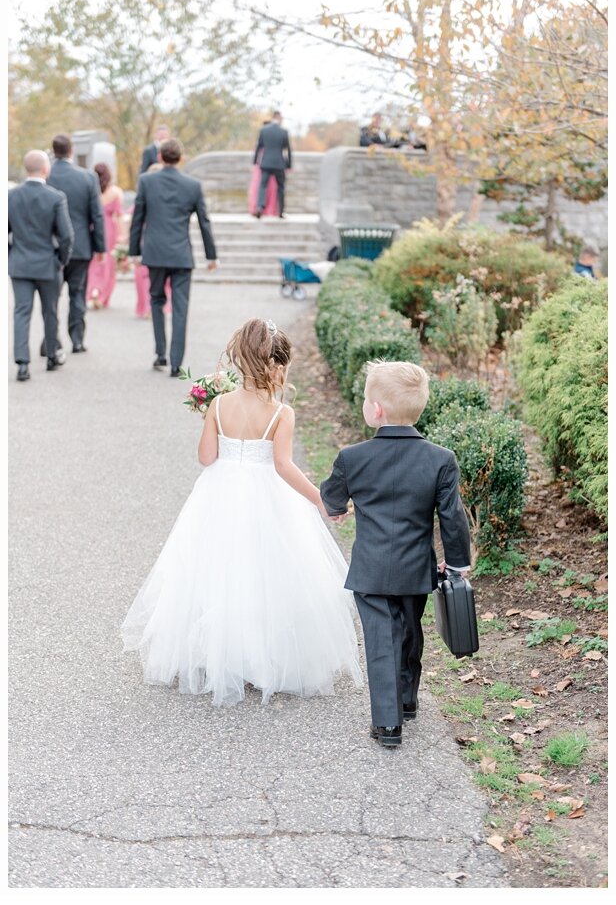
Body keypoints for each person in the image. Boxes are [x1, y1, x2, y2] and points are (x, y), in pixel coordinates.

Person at [121, 318, 363, 706]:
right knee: (266, 573)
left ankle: (219, 655)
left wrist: (211, 421)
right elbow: (283, 466)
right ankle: (264, 659)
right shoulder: (280, 413)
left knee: (217, 572)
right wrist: (320, 499)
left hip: (218, 494)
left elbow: (206, 458)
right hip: (267, 495)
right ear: (278, 367)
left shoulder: (218, 404)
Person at [320, 361, 471, 749]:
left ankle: (388, 724)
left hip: (370, 570)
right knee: (408, 632)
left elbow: (333, 500)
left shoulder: (352, 458)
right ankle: (406, 700)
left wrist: (338, 507)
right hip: (416, 569)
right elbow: (451, 517)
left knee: (380, 639)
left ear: (377, 410)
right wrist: (456, 563)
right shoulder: (440, 459)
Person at [128, 137, 218, 376]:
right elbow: (204, 223)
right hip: (180, 254)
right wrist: (212, 256)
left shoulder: (146, 181)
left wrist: (134, 251)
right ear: (181, 158)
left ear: (160, 157)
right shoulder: (192, 185)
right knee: (180, 308)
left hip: (155, 252)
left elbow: (138, 218)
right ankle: (176, 362)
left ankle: (160, 354)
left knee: (156, 301)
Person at [9, 150, 74, 381]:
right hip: (48, 264)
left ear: (27, 169)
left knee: (21, 312)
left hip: (20, 264)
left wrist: (11, 254)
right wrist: (61, 261)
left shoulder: (11, 196)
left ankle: (22, 364)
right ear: (46, 169)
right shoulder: (56, 197)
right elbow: (66, 236)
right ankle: (51, 357)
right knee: (51, 311)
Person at [43, 134, 106, 355]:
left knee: (51, 295)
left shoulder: (45, 175)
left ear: (54, 151)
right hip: (81, 246)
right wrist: (100, 247)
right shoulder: (88, 177)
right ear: (71, 151)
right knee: (77, 294)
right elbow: (97, 215)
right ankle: (77, 340)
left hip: (50, 246)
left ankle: (50, 340)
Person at [132, 164, 172, 319]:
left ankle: (148, 307)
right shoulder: (169, 199)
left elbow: (135, 222)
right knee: (161, 281)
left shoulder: (144, 196)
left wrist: (133, 250)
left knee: (144, 278)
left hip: (146, 242)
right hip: (163, 245)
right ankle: (154, 307)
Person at [86, 163, 125, 309]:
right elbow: (120, 215)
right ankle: (103, 294)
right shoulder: (116, 192)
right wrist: (123, 235)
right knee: (108, 263)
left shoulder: (90, 191)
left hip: (93, 228)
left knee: (93, 263)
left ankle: (93, 289)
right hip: (109, 229)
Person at [253, 111, 292, 219]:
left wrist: (255, 161)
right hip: (279, 163)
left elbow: (259, 146)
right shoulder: (284, 131)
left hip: (265, 162)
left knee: (263, 186)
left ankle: (260, 207)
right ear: (279, 118)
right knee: (281, 187)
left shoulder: (264, 130)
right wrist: (289, 164)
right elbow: (287, 149)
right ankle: (281, 211)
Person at [248, 120, 278, 216]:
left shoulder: (263, 142)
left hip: (263, 168)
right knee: (263, 189)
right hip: (263, 168)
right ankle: (262, 209)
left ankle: (262, 208)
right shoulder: (269, 142)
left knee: (266, 189)